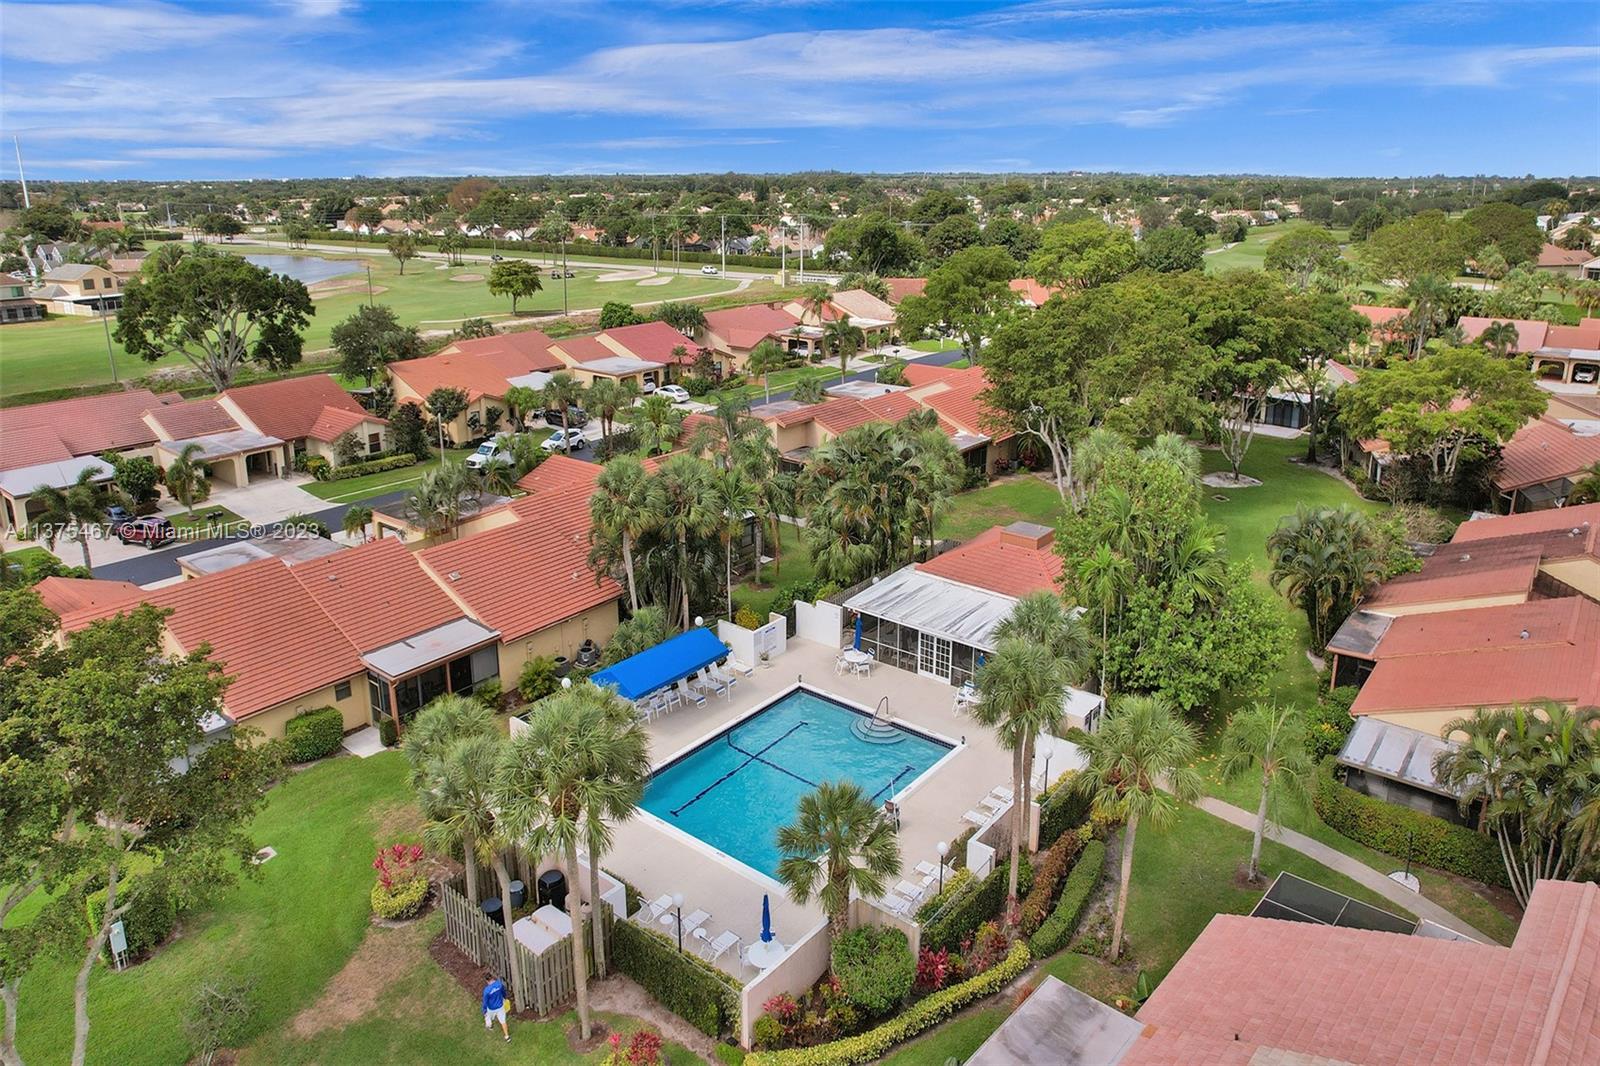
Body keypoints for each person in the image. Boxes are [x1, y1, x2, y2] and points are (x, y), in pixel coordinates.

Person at [482, 972, 509, 1041]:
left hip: (491, 1008)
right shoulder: (499, 984)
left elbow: (485, 1002)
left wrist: (484, 1010)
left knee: (488, 1017)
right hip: (500, 1006)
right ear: (492, 977)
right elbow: (503, 992)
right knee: (503, 1021)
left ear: (486, 980)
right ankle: (507, 1036)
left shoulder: (487, 990)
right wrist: (505, 998)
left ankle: (490, 1026)